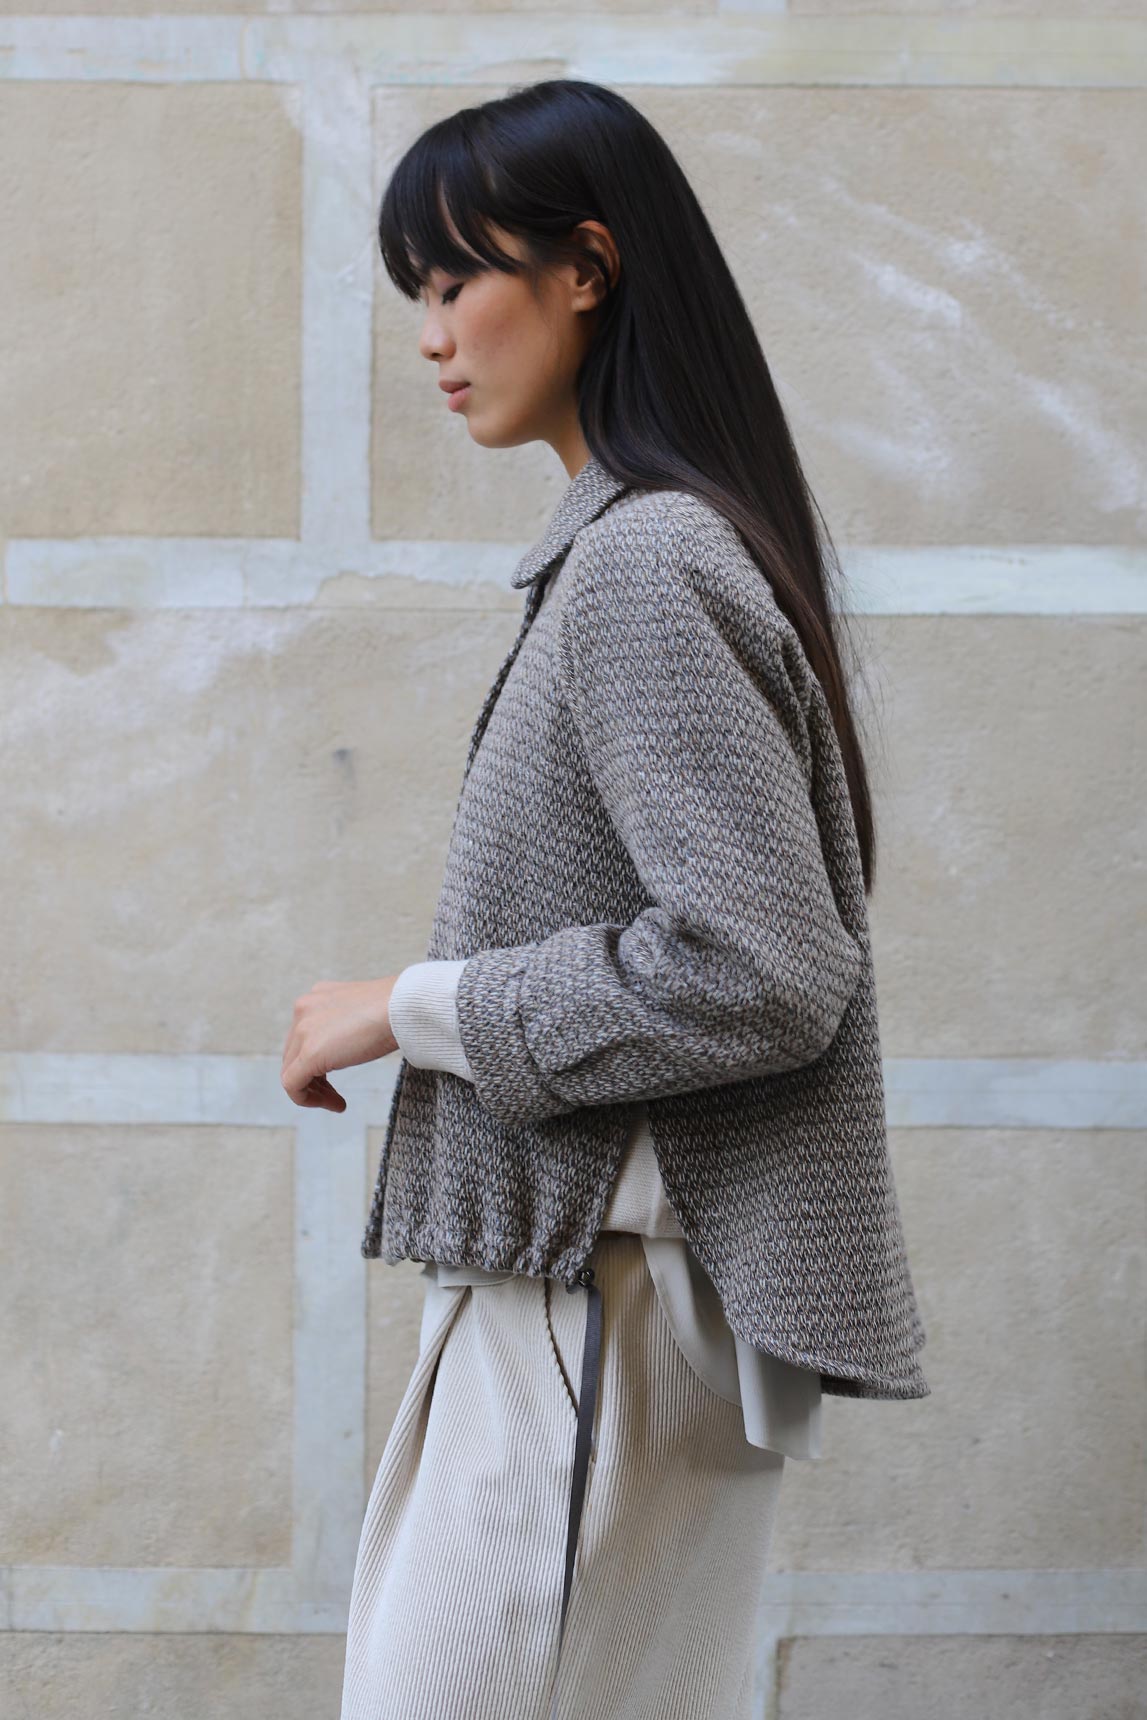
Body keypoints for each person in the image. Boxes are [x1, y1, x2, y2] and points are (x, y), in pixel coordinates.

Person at [280, 77, 929, 1720]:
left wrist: (411, 1008)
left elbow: (763, 963)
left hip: (596, 1303)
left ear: (586, 268)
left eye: (457, 279)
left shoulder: (643, 562)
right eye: (417, 291)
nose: (432, 335)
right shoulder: (651, 547)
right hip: (596, 1297)